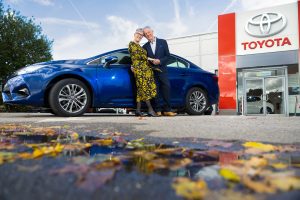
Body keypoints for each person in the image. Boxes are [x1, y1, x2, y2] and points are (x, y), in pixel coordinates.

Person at [143, 26, 177, 116]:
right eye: (146, 34)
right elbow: (143, 59)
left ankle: (167, 109)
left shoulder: (163, 42)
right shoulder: (145, 46)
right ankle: (158, 110)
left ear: (152, 32)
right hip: (152, 72)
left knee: (166, 88)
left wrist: (160, 61)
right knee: (155, 91)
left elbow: (168, 56)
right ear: (145, 36)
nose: (148, 34)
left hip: (162, 70)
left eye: (149, 32)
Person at [128, 28, 158, 117]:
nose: (139, 36)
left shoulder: (140, 46)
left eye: (141, 35)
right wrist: (152, 59)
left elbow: (142, 56)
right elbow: (137, 55)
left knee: (141, 89)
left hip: (145, 69)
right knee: (144, 88)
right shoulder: (131, 44)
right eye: (138, 34)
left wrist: (150, 61)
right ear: (134, 34)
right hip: (139, 69)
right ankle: (150, 110)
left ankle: (138, 110)